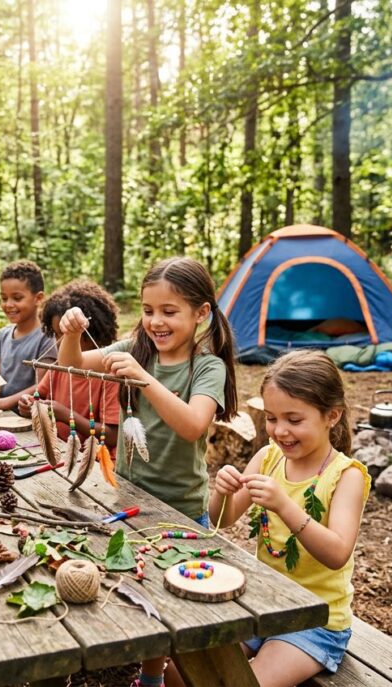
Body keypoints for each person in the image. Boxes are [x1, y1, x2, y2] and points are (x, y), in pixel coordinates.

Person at [57, 257, 238, 687]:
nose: (156, 321)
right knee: (134, 584)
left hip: (181, 513)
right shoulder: (134, 349)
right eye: (149, 310)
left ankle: (154, 676)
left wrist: (143, 380)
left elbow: (194, 424)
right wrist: (69, 334)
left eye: (169, 311)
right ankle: (132, 659)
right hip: (130, 499)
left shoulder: (206, 366)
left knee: (173, 600)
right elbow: (76, 363)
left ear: (201, 313)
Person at [201, 350, 371, 687]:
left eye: (294, 420)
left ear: (332, 416)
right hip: (264, 604)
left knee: (247, 682)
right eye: (272, 418)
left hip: (317, 621)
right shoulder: (267, 458)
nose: (280, 431)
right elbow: (223, 519)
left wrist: (285, 507)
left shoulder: (346, 476)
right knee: (188, 665)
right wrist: (221, 491)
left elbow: (337, 554)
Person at [17, 279, 121, 453]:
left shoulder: (111, 373)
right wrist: (28, 404)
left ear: (94, 332)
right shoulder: (60, 368)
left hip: (94, 464)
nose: (60, 343)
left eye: (71, 336)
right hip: (57, 452)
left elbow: (112, 435)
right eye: (57, 335)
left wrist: (66, 415)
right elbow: (38, 396)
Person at [0, 260, 56, 410]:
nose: (8, 304)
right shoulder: (2, 335)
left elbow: (43, 386)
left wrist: (4, 403)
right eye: (4, 298)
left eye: (17, 298)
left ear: (38, 298)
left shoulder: (46, 337)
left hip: (28, 417)